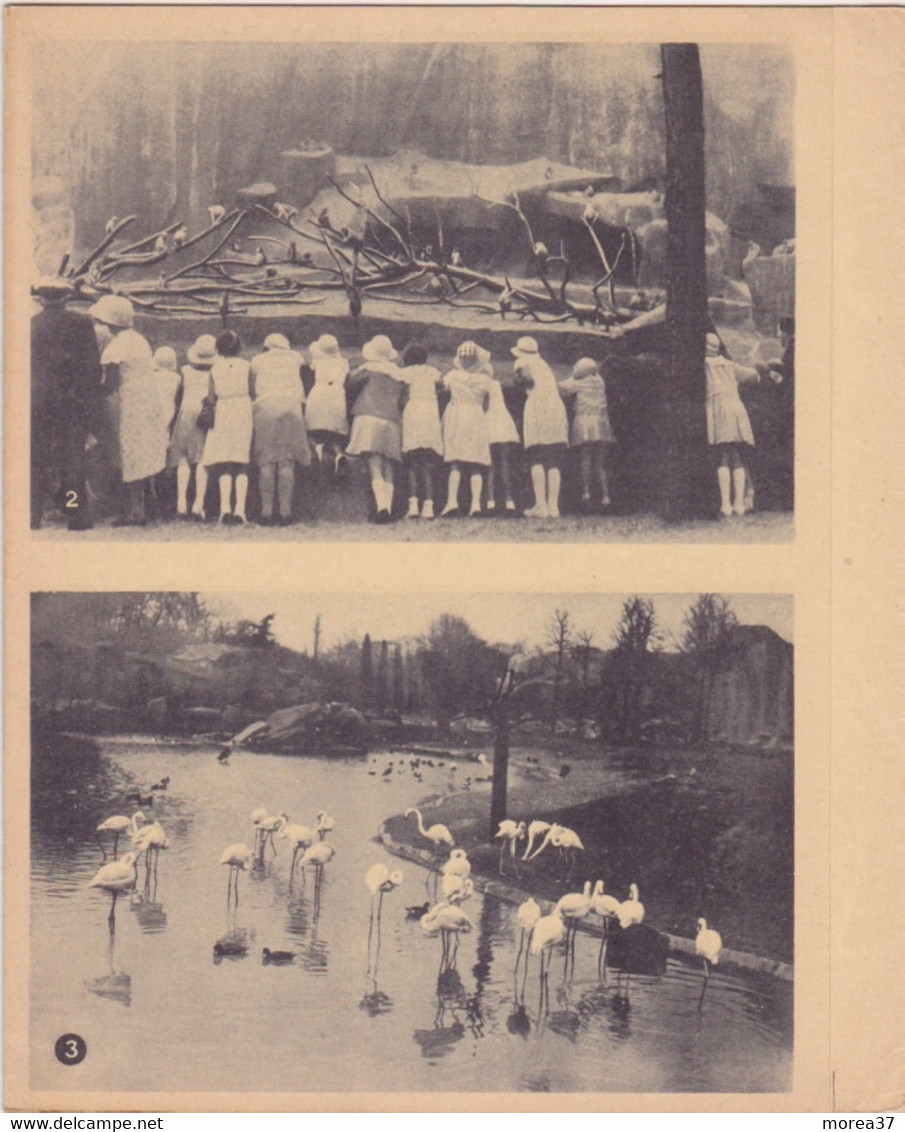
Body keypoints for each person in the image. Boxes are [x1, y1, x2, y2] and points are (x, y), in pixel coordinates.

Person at [30, 276, 102, 529]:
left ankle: (33, 515)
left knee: (35, 456)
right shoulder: (81, 323)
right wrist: (88, 398)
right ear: (66, 298)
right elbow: (93, 368)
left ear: (40, 299)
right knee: (72, 457)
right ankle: (74, 516)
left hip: (36, 401)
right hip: (72, 402)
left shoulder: (30, 325)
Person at [89, 294, 167, 526]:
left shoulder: (116, 346)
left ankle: (136, 511)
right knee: (146, 450)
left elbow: (110, 384)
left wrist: (89, 391)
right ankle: (151, 502)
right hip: (149, 399)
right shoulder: (138, 340)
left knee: (131, 452)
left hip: (131, 402)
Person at [704, 331, 781, 518]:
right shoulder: (730, 364)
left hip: (718, 408)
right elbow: (752, 376)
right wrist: (765, 369)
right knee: (737, 453)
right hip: (736, 406)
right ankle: (739, 503)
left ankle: (725, 505)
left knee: (723, 453)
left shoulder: (704, 365)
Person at [249, 333, 310, 525]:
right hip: (291, 407)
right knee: (287, 461)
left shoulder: (257, 361)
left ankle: (266, 512)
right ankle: (286, 512)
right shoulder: (296, 358)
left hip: (265, 407)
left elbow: (251, 389)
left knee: (266, 462)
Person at [345, 334, 405, 523]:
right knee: (388, 464)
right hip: (392, 420)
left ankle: (382, 507)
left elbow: (349, 383)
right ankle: (388, 505)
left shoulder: (367, 369)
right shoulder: (398, 373)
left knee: (374, 462)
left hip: (369, 416)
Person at [511, 336, 569, 518]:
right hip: (555, 406)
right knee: (552, 456)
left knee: (536, 453)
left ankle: (540, 505)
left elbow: (526, 380)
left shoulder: (521, 361)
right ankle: (553, 506)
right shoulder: (543, 364)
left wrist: (516, 380)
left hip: (537, 406)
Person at [202, 330, 253, 525]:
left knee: (225, 461)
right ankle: (240, 510)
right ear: (239, 347)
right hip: (242, 409)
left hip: (223, 410)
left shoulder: (215, 369)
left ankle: (225, 509)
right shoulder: (247, 366)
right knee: (241, 461)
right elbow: (252, 390)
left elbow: (211, 398)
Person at [439, 341, 495, 518]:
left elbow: (445, 389)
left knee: (456, 460)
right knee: (475, 461)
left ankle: (452, 501)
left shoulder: (452, 377)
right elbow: (487, 401)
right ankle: (476, 504)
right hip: (476, 416)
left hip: (457, 416)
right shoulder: (485, 380)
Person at [557, 356, 615, 511]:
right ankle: (605, 496)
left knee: (586, 460)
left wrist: (572, 376)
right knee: (601, 464)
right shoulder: (600, 382)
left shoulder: (578, 383)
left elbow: (562, 388)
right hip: (601, 424)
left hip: (584, 425)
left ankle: (586, 493)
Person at [171, 334, 216, 520]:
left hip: (184, 413)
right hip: (204, 414)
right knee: (203, 459)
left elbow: (178, 396)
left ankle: (181, 503)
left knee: (182, 457)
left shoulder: (184, 371)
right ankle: (198, 503)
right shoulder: (216, 373)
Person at [398, 342, 442, 519]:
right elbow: (440, 384)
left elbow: (402, 397)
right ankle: (429, 505)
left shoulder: (405, 373)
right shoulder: (432, 372)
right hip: (430, 414)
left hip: (413, 413)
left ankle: (413, 504)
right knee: (427, 462)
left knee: (412, 461)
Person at [305, 334, 350, 475]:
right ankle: (338, 454)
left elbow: (312, 359)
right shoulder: (344, 363)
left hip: (319, 392)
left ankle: (318, 447)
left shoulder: (318, 361)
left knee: (312, 428)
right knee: (334, 432)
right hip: (337, 394)